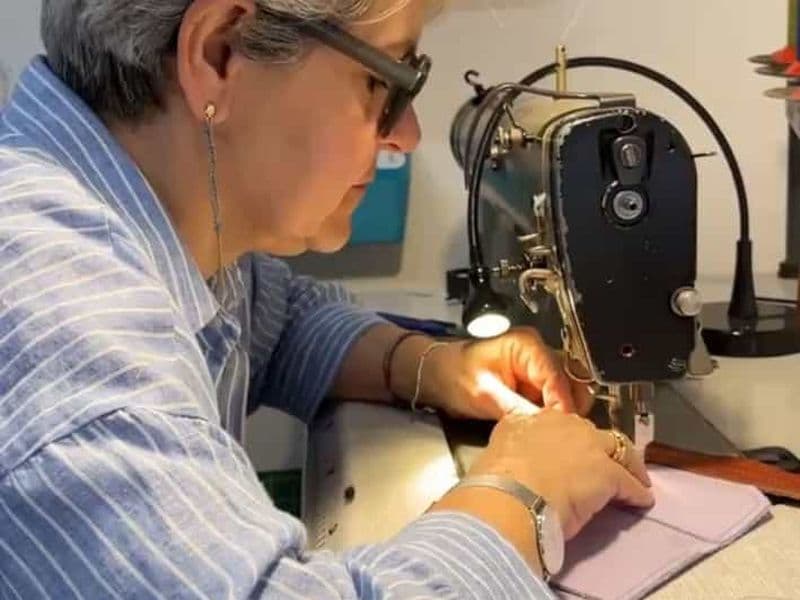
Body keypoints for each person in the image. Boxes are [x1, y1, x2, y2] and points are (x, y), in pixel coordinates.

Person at [0, 0, 654, 597]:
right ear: (219, 52)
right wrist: (525, 496)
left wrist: (429, 366)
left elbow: (274, 324)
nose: (408, 135)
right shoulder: (78, 365)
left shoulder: (147, 219)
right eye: (389, 83)